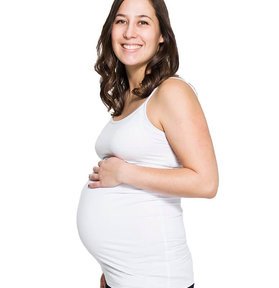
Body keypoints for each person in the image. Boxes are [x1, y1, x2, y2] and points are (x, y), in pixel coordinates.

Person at [77, 0, 219, 287]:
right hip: (125, 278)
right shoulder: (130, 98)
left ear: (162, 35)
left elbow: (206, 183)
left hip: (156, 279)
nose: (130, 32)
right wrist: (110, 269)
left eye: (143, 22)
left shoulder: (172, 92)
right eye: (121, 21)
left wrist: (124, 173)